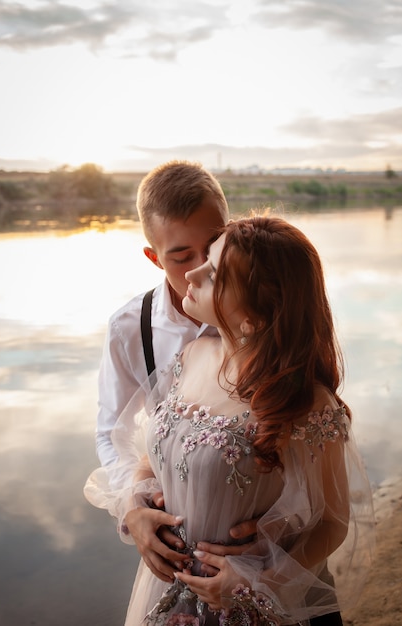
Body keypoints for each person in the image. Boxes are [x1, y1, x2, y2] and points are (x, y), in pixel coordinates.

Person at [85, 214, 375, 625]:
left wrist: (258, 584)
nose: (194, 271)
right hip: (164, 590)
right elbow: (152, 453)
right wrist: (136, 502)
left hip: (246, 604)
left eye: (214, 270)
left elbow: (332, 522)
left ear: (253, 317)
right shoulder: (190, 358)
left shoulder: (309, 404)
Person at [94, 159, 258, 582]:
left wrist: (281, 532)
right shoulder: (130, 328)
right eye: (183, 257)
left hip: (260, 537)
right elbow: (112, 430)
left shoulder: (267, 309)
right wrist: (133, 506)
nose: (203, 268)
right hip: (180, 541)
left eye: (215, 246)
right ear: (153, 257)